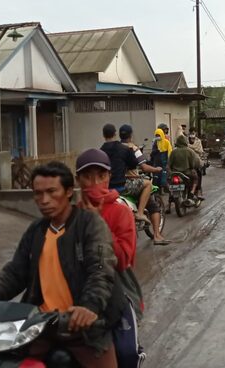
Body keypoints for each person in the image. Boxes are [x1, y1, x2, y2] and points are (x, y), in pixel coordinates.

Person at [0, 162, 122, 368]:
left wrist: (89, 307)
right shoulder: (36, 230)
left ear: (69, 191)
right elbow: (15, 273)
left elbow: (100, 268)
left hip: (84, 330)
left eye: (52, 192)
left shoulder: (89, 224)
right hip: (39, 326)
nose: (44, 200)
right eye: (38, 193)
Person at [75, 149, 146, 365]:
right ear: (78, 179)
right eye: (87, 176)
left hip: (118, 291)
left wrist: (98, 225)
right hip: (78, 292)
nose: (94, 182)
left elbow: (124, 259)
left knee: (125, 353)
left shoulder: (121, 212)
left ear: (108, 177)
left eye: (100, 176)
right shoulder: (71, 214)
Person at [117, 125, 168, 245]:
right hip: (129, 183)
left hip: (114, 184)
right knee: (153, 204)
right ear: (130, 135)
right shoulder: (133, 148)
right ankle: (156, 235)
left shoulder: (115, 148)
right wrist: (156, 169)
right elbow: (144, 166)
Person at [168, 135, 202, 200]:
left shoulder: (173, 152)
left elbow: (169, 164)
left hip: (175, 173)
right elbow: (192, 164)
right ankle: (192, 192)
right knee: (196, 178)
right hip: (187, 173)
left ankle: (170, 200)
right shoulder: (189, 151)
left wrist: (170, 172)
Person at [188, 131, 206, 197]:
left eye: (193, 138)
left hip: (195, 163)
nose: (192, 139)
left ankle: (197, 190)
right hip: (188, 165)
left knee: (199, 173)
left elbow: (200, 151)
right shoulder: (186, 146)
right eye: (191, 138)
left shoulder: (198, 142)